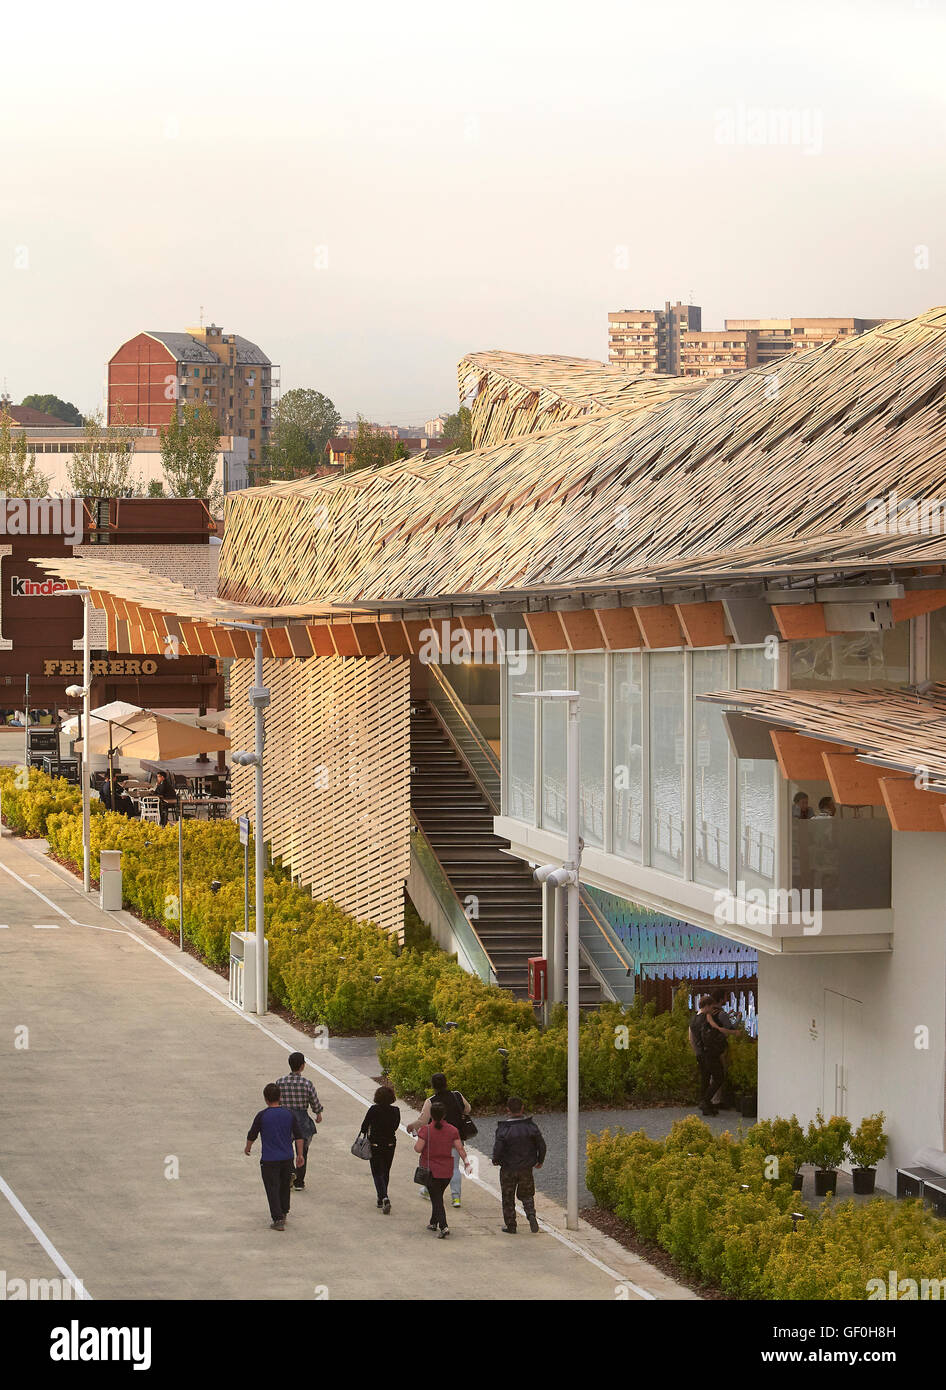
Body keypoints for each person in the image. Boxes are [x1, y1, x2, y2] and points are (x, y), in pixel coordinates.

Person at [244, 1082, 305, 1231]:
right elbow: (299, 1136)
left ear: (265, 1099)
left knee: (272, 1188)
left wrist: (248, 1147)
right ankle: (284, 1212)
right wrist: (300, 1154)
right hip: (287, 1157)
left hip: (269, 1159)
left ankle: (277, 1219)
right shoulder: (288, 1114)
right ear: (280, 1097)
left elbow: (253, 1133)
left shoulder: (262, 1115)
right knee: (285, 1186)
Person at [407, 1073, 472, 1208]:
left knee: (433, 1166)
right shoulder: (457, 1095)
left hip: (436, 1140)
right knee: (454, 1169)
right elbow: (468, 1108)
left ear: (433, 1086)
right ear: (446, 1083)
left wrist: (411, 1126)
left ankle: (427, 1190)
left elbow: (423, 1120)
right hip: (455, 1138)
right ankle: (456, 1198)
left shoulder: (431, 1101)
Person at [413, 1101, 471, 1238]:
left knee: (437, 1198)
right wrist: (467, 1163)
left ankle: (443, 1226)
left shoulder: (425, 1130)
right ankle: (433, 1222)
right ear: (444, 1115)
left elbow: (418, 1149)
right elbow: (460, 1149)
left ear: (431, 1115)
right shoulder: (452, 1130)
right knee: (436, 1196)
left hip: (431, 1171)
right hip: (447, 1171)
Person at [491, 1097, 546, 1234]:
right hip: (526, 1167)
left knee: (508, 1197)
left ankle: (511, 1225)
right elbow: (542, 1145)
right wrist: (540, 1160)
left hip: (508, 1168)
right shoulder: (531, 1126)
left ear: (507, 1110)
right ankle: (531, 1214)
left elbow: (498, 1148)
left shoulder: (503, 1129)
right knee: (527, 1194)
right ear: (522, 1108)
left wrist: (495, 1159)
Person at [276, 1051, 324, 1192]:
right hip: (302, 1120)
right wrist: (318, 1113)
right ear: (302, 1066)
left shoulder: (280, 1082)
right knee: (302, 1151)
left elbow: (276, 1100)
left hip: (284, 1118)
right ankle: (299, 1181)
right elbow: (314, 1102)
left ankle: (290, 1172)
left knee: (286, 1148)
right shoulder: (307, 1084)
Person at [359, 1085, 400, 1213]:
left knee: (377, 1172)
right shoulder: (396, 1110)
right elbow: (395, 1126)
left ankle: (383, 1197)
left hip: (375, 1143)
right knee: (386, 1171)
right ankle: (381, 1196)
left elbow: (364, 1127)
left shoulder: (373, 1109)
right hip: (390, 1143)